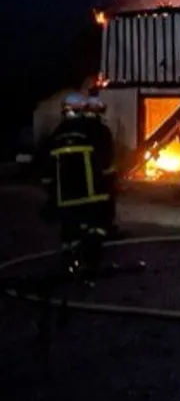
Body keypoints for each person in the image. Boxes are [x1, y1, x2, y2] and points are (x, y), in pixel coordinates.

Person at [42, 92, 112, 275]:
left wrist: (51, 192)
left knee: (69, 229)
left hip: (64, 196)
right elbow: (105, 161)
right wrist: (108, 184)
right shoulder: (92, 130)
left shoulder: (57, 133)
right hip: (90, 192)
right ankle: (91, 259)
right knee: (95, 225)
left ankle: (70, 261)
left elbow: (45, 165)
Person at [83, 94, 121, 238]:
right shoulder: (102, 130)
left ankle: (88, 233)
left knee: (87, 208)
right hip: (101, 178)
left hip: (82, 178)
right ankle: (104, 233)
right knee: (104, 206)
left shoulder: (80, 128)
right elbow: (108, 155)